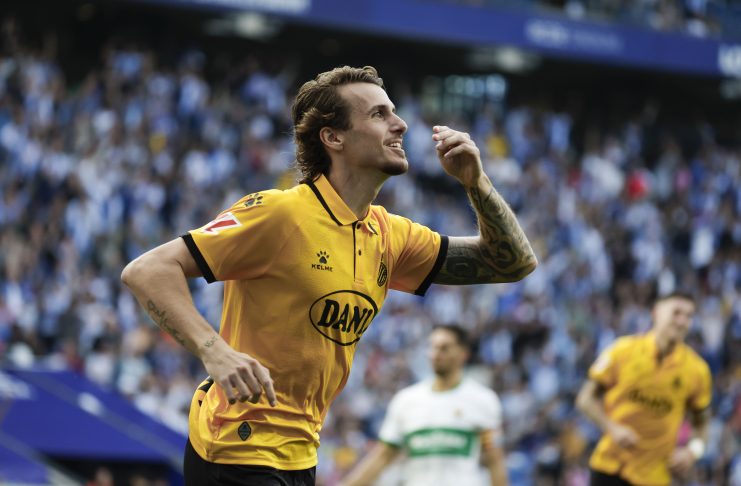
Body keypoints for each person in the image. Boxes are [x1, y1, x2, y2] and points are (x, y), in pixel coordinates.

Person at [121, 65, 537, 485]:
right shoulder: (281, 213)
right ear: (333, 137)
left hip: (301, 454)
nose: (401, 124)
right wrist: (215, 351)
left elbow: (512, 263)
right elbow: (148, 270)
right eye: (378, 114)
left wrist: (476, 183)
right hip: (236, 446)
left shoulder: (391, 236)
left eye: (393, 111)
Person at [340, 325, 508, 486]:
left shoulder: (483, 400)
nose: (436, 354)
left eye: (444, 348)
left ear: (463, 353)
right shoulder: (406, 401)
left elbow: (494, 460)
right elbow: (383, 456)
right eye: (432, 347)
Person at [575, 291, 712, 486]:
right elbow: (585, 399)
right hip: (610, 465)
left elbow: (702, 425)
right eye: (676, 312)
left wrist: (692, 452)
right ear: (656, 313)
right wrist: (612, 428)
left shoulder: (697, 371)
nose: (682, 321)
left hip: (654, 477)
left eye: (689, 316)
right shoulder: (623, 350)